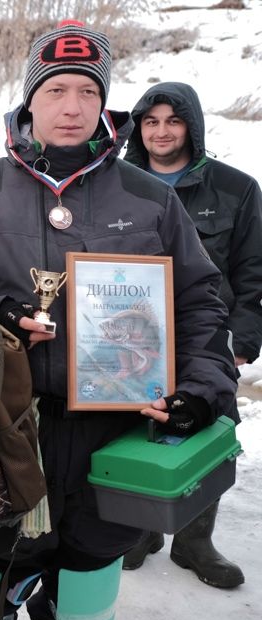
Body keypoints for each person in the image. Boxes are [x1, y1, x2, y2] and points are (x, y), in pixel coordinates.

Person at [0, 21, 238, 620]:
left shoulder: (150, 200)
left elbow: (200, 302)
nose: (71, 107)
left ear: (104, 102)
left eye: (86, 90)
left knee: (80, 615)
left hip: (109, 441)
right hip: (5, 443)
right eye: (54, 90)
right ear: (29, 100)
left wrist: (200, 392)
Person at [120, 81, 260, 587]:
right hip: (136, 341)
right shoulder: (118, 183)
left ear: (192, 127)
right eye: (151, 121)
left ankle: (195, 542)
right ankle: (140, 531)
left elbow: (253, 271)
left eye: (172, 121)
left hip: (208, 338)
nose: (161, 132)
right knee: (136, 429)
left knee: (209, 435)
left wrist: (241, 341)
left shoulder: (236, 188)